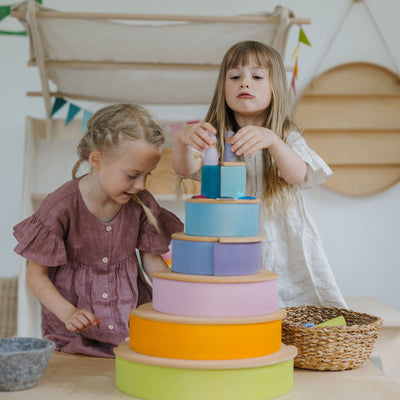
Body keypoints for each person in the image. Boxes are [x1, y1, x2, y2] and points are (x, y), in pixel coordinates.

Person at [172, 41, 347, 309]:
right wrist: (182, 140)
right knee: (234, 303)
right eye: (235, 76)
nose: (244, 82)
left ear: (275, 87)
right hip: (229, 236)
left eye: (256, 77)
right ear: (223, 87)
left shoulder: (287, 137)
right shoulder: (215, 138)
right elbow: (185, 169)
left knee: (289, 303)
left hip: (281, 239)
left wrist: (273, 141)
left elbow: (298, 175)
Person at [13, 103, 183, 357]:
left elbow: (153, 263)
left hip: (129, 327)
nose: (141, 185)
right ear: (96, 159)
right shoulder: (60, 206)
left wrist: (180, 296)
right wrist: (68, 313)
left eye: (147, 175)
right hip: (72, 334)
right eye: (132, 175)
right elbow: (35, 276)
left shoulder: (141, 203)